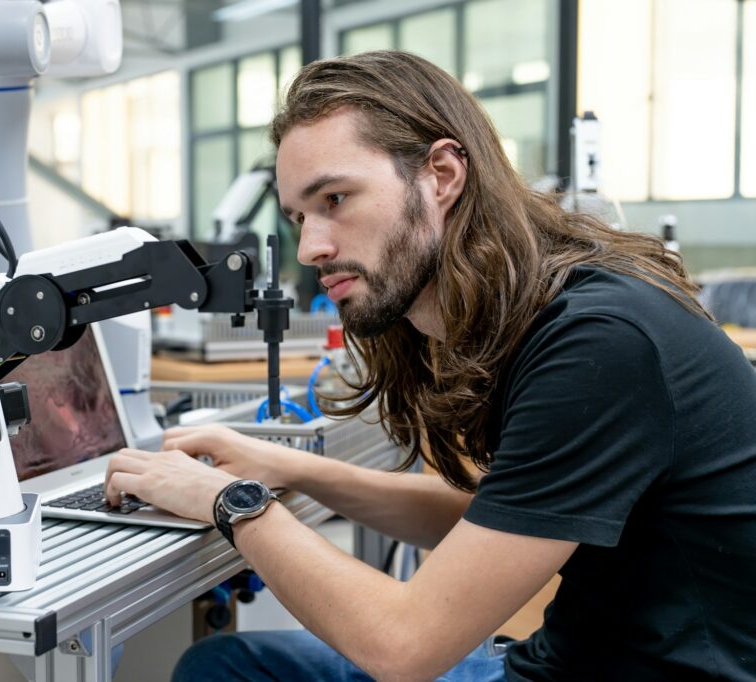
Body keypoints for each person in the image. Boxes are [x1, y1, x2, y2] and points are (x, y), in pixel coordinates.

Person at [103, 50, 756, 681]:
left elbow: (405, 647)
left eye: (334, 199)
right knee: (225, 664)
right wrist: (285, 466)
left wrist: (231, 503)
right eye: (299, 216)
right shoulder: (543, 313)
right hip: (567, 659)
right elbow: (489, 521)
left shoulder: (601, 344)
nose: (310, 248)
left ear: (442, 176)